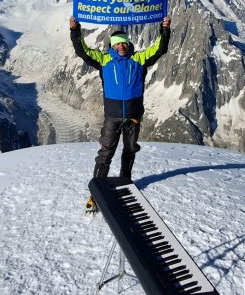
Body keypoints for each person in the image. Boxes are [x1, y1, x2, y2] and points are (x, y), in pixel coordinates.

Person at [69, 15, 171, 212]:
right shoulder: (104, 59)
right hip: (112, 116)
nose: (121, 47)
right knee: (105, 153)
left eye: (123, 43)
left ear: (128, 43)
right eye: (117, 45)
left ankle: (125, 181)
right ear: (112, 46)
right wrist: (75, 30)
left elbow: (160, 49)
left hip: (133, 116)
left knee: (130, 149)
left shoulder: (139, 58)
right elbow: (82, 51)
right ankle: (97, 192)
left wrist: (164, 29)